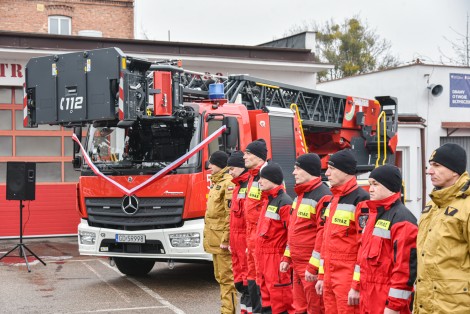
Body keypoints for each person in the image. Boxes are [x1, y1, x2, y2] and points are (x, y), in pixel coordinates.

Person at [305, 149, 369, 314]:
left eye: (332, 169)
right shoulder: (334, 199)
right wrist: (321, 276)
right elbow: (325, 242)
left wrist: (356, 285)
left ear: (346, 171)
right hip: (329, 277)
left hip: (347, 278)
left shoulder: (361, 199)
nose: (327, 173)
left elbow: (365, 247)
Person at [414, 143, 470, 313]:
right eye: (430, 165)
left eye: (436, 165)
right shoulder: (433, 206)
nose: (429, 171)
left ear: (455, 171)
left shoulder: (466, 206)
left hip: (454, 308)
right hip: (427, 305)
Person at [358, 165, 417, 314]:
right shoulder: (374, 215)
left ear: (390, 186)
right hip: (369, 298)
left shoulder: (403, 220)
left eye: (375, 184)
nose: (370, 189)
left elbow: (404, 270)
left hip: (387, 303)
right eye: (370, 184)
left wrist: (393, 307)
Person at [280, 153, 331, 314]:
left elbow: (322, 236)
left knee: (315, 308)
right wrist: (287, 257)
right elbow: (293, 231)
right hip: (298, 264)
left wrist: (313, 266)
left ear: (308, 170)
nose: (293, 173)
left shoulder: (323, 196)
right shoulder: (299, 196)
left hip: (311, 267)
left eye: (297, 169)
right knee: (299, 308)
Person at [257, 163, 294, 314]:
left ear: (273, 179)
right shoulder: (268, 200)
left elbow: (291, 235)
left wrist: (286, 258)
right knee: (267, 303)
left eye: (263, 178)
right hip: (265, 260)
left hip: (277, 261)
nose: (259, 181)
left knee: (282, 304)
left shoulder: (284, 202)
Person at [203, 151, 237, 314]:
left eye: (212, 163)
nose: (209, 167)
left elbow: (229, 215)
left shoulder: (227, 183)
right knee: (221, 277)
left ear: (220, 165)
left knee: (227, 279)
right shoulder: (217, 182)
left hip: (222, 242)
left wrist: (226, 240)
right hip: (215, 241)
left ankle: (228, 311)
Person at [243, 139, 268, 313]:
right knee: (251, 279)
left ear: (258, 157)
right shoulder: (253, 176)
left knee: (261, 282)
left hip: (261, 239)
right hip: (251, 238)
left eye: (248, 153)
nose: (244, 156)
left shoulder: (266, 176)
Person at [227, 151, 252, 314]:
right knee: (239, 283)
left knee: (247, 283)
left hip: (245, 241)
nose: (230, 172)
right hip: (236, 242)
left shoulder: (249, 185)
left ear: (242, 168)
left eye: (232, 168)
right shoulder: (237, 186)